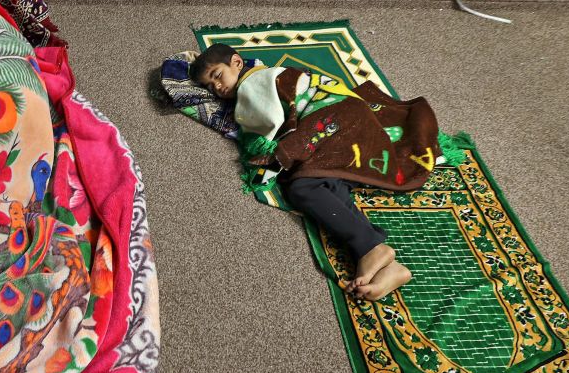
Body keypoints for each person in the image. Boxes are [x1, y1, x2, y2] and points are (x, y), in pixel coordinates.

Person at [190, 43, 443, 301]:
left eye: (217, 76)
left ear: (237, 63)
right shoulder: (273, 73)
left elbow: (266, 126)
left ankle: (370, 248)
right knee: (329, 185)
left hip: (336, 121)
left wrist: (262, 161)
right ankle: (385, 262)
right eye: (209, 87)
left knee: (302, 187)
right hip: (355, 123)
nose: (217, 88)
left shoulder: (254, 82)